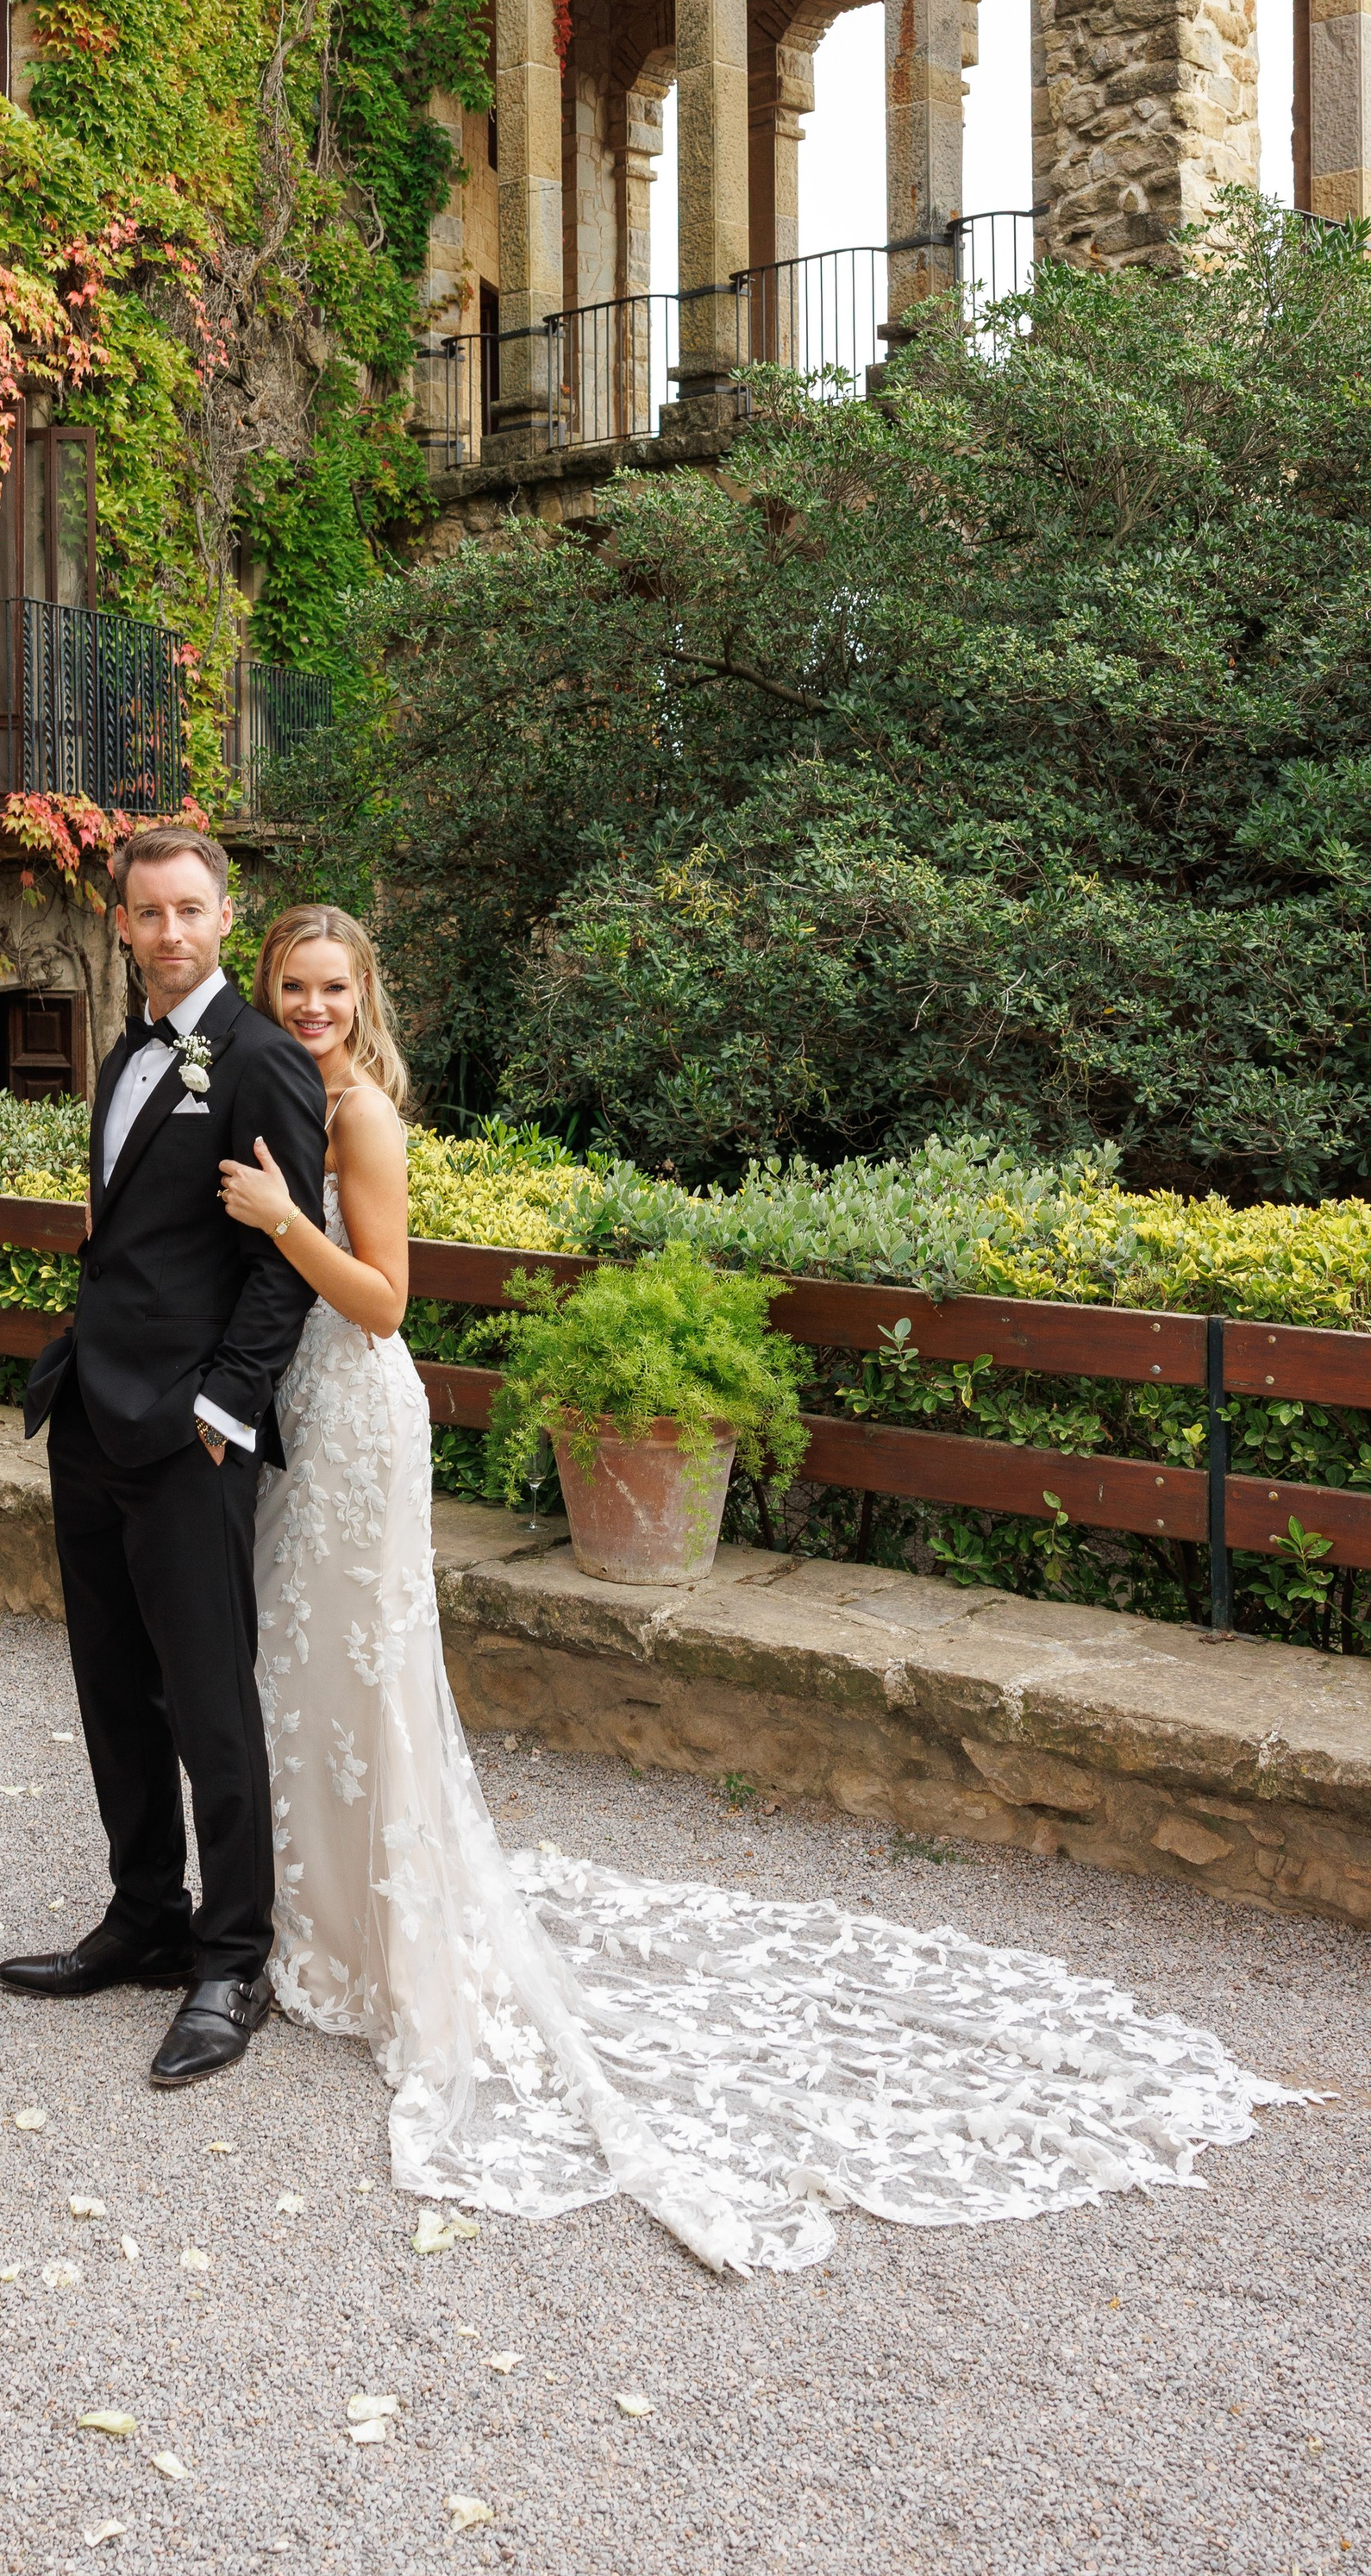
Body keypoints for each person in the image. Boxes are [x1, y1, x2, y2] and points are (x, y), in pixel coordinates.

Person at [216, 902, 1292, 2275]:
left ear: (365, 997)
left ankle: (385, 1950)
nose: (310, 1007)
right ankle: (317, 1922)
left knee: (361, 1669)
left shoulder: (359, 1113)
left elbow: (385, 1299)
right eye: (292, 986)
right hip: (296, 1416)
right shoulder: (271, 1092)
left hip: (362, 1412)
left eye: (331, 987)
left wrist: (275, 1219)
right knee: (301, 1673)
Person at [3, 825, 327, 2090]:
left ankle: (232, 1955)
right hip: (90, 1415)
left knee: (210, 1700)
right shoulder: (125, 1047)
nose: (171, 929)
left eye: (192, 907)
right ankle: (146, 1912)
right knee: (110, 1682)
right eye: (150, 911)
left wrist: (225, 1410)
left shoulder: (259, 1061)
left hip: (192, 1434)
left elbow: (279, 1267)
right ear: (123, 922)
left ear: (224, 915)